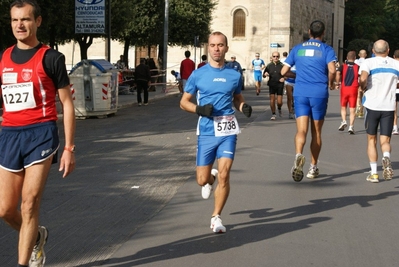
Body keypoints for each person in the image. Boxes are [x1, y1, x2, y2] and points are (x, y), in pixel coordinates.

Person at [0, 1, 76, 267]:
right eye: (14, 20)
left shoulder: (51, 58)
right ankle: (36, 237)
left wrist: (68, 148)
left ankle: (23, 263)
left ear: (38, 22)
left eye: (26, 19)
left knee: (29, 203)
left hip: (40, 134)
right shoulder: (3, 57)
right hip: (9, 134)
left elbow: (67, 103)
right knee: (6, 209)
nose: (20, 25)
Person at [180, 31, 252, 233]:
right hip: (206, 131)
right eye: (213, 45)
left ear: (226, 48)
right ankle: (209, 180)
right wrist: (199, 110)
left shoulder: (234, 75)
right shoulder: (198, 74)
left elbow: (237, 98)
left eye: (220, 45)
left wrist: (243, 106)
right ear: (208, 48)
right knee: (201, 179)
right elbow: (183, 102)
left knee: (225, 174)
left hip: (228, 130)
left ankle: (216, 217)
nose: (216, 49)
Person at [281, 20, 336, 182]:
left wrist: (298, 76)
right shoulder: (327, 49)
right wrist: (330, 82)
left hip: (301, 92)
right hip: (319, 92)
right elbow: (332, 70)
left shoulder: (298, 49)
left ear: (309, 31)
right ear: (323, 33)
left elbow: (284, 71)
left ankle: (298, 155)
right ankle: (313, 167)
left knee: (301, 131)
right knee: (316, 132)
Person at [359, 40, 399, 183]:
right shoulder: (396, 64)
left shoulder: (368, 63)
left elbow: (363, 78)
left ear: (373, 51)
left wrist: (363, 86)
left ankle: (374, 173)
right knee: (385, 139)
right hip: (388, 106)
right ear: (388, 50)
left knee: (371, 139)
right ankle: (386, 156)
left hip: (372, 105)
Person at [335, 51, 360, 134]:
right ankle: (351, 126)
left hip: (344, 88)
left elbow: (338, 73)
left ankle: (344, 121)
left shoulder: (343, 66)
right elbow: (361, 77)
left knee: (343, 107)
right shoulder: (358, 67)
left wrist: (338, 83)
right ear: (355, 58)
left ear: (346, 57)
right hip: (354, 89)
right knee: (352, 109)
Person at [263, 51, 285, 120]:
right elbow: (264, 75)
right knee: (272, 100)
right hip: (272, 84)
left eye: (277, 56)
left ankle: (279, 108)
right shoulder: (269, 65)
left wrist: (284, 78)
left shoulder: (282, 65)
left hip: (280, 84)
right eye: (274, 56)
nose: (275, 58)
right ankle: (273, 114)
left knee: (279, 102)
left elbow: (287, 75)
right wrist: (265, 74)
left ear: (279, 57)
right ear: (272, 57)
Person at [354, 49, 367, 118]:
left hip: (358, 80)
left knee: (358, 95)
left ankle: (357, 108)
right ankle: (361, 109)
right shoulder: (367, 61)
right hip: (365, 80)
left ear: (359, 55)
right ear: (366, 55)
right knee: (363, 95)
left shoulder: (356, 61)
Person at [392, 49, 399, 135]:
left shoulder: (392, 64)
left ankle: (395, 127)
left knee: (394, 109)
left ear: (394, 56)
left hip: (394, 89)